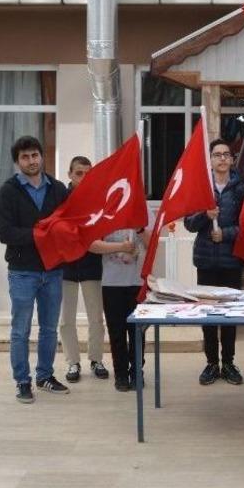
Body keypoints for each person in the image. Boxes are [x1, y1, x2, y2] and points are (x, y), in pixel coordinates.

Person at [0, 135, 71, 403]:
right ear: (18, 162)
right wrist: (39, 235)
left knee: (50, 328)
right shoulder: (8, 191)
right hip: (22, 271)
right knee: (21, 330)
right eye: (25, 157)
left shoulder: (59, 189)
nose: (31, 161)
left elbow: (71, 222)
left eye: (35, 155)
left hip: (53, 271)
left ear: (42, 156)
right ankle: (23, 381)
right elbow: (5, 233)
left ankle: (45, 376)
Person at [183, 138, 244, 386]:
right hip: (206, 260)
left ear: (231, 159)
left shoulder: (241, 189)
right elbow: (188, 223)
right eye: (217, 154)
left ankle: (228, 362)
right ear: (209, 159)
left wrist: (226, 233)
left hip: (231, 260)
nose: (222, 158)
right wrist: (204, 216)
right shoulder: (200, 187)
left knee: (229, 314)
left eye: (226, 154)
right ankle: (211, 363)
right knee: (208, 314)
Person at [58, 156, 110, 383]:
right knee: (66, 319)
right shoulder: (60, 198)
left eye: (88, 173)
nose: (84, 178)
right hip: (66, 265)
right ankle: (72, 363)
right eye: (79, 173)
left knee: (96, 317)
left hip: (91, 263)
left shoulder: (98, 199)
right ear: (70, 174)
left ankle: (96, 359)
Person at [99, 214, 153, 392]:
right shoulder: (107, 208)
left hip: (136, 282)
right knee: (116, 330)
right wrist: (120, 246)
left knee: (137, 331)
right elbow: (92, 244)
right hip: (111, 282)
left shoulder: (142, 209)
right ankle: (120, 374)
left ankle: (137, 371)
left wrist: (139, 229)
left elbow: (152, 242)